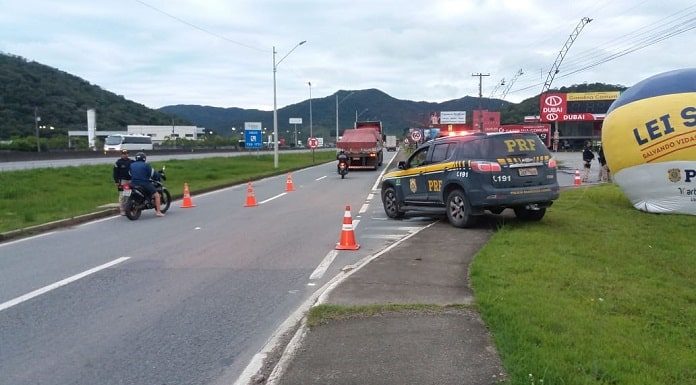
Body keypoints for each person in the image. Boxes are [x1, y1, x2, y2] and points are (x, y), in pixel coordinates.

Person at [129, 152, 165, 217]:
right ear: (144, 158)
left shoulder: (132, 165)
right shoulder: (146, 165)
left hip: (133, 183)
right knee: (157, 195)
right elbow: (153, 174)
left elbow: (130, 174)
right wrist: (158, 176)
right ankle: (158, 212)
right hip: (144, 183)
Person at [113, 150, 133, 215]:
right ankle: (122, 210)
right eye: (124, 154)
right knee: (122, 195)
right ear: (121, 155)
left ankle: (128, 208)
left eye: (127, 153)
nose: (125, 155)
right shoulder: (118, 163)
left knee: (128, 195)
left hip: (130, 180)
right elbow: (115, 173)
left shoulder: (131, 161)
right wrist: (116, 181)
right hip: (122, 181)